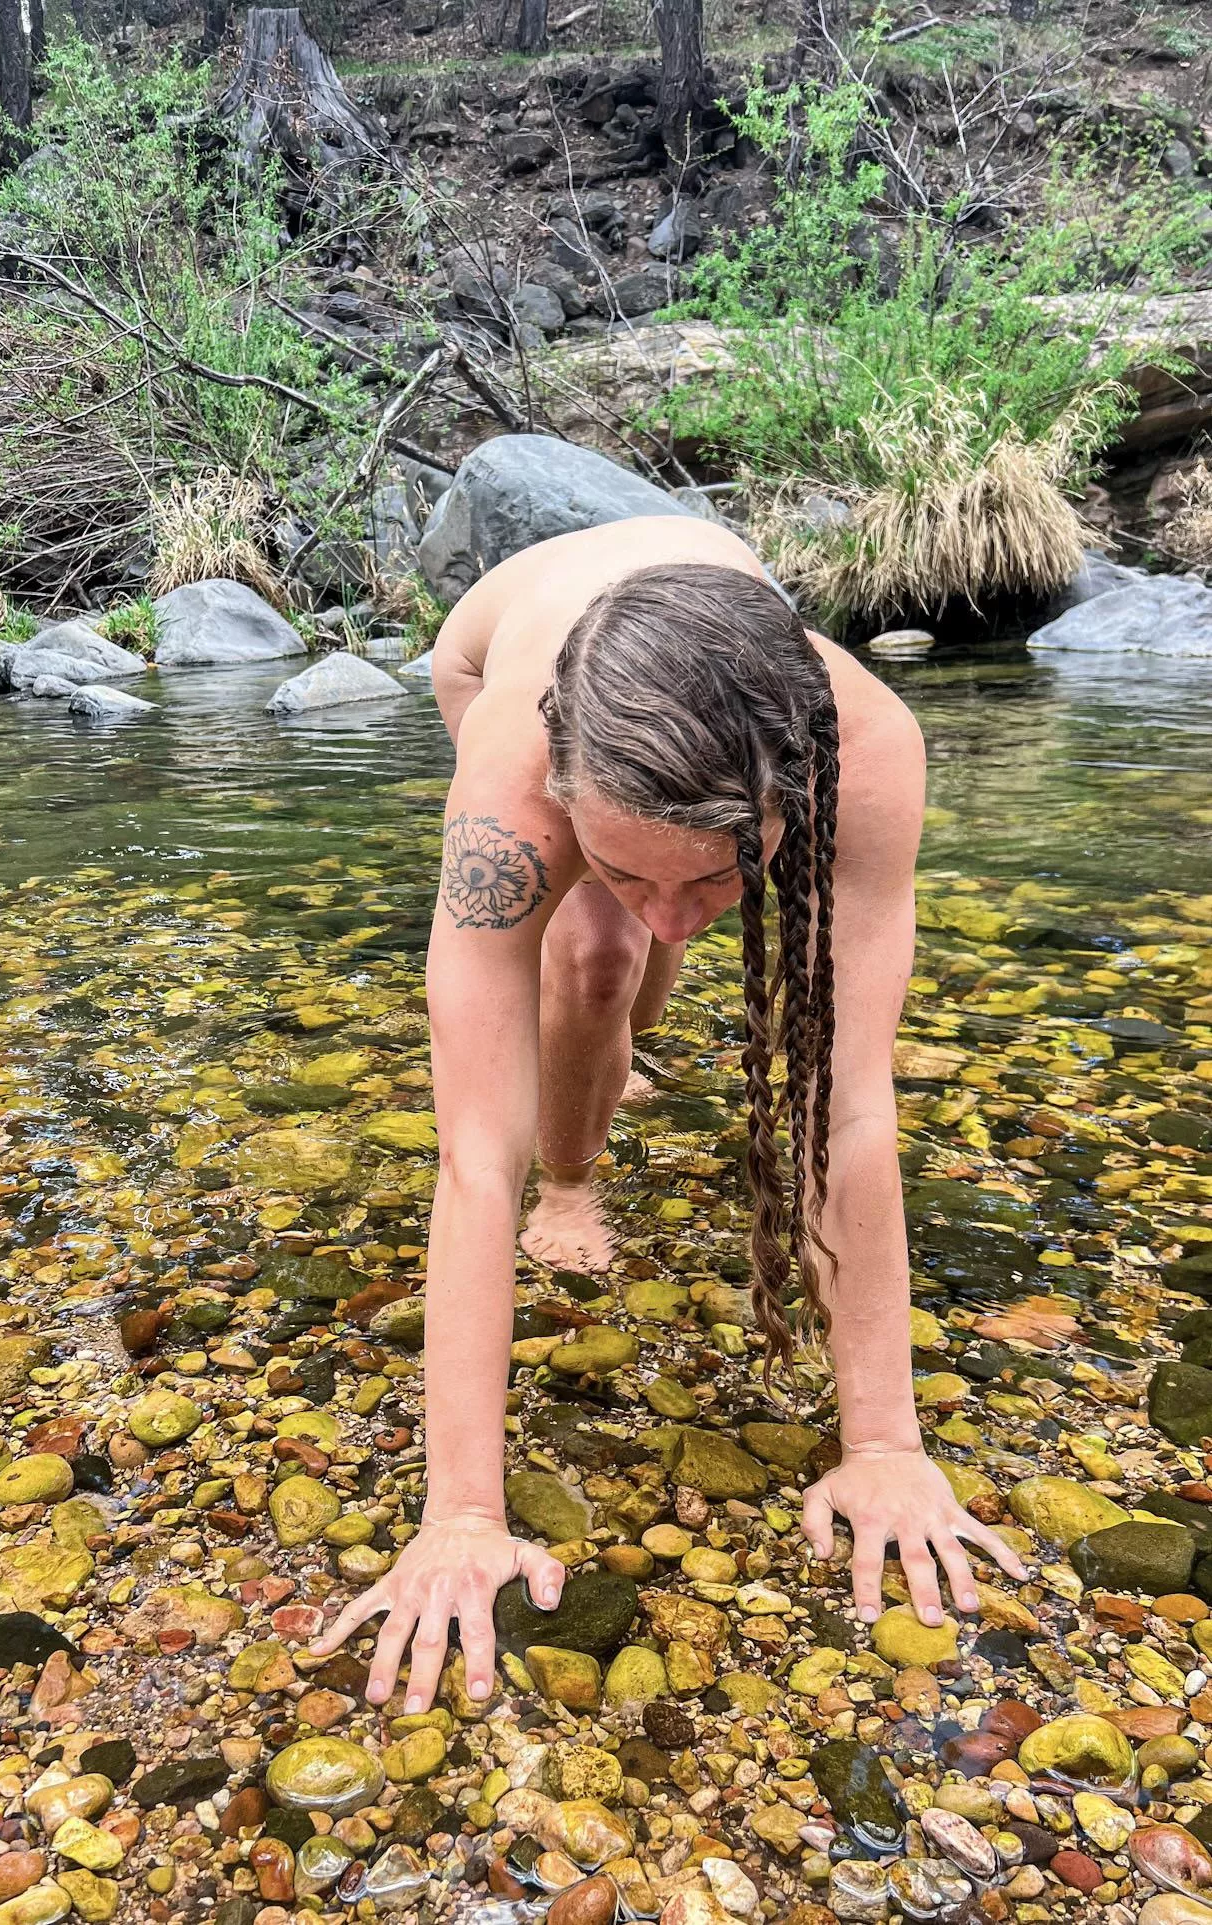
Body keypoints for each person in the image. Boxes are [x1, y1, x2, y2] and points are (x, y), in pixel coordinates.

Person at [314, 513, 1025, 1713]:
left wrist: (885, 1447)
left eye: (716, 878)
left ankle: (630, 1010)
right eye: (629, 859)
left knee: (642, 938)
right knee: (590, 953)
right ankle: (580, 1176)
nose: (680, 913)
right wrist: (462, 1516)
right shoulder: (507, 788)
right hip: (498, 651)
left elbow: (846, 1112)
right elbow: (469, 1158)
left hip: (715, 664)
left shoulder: (868, 748)